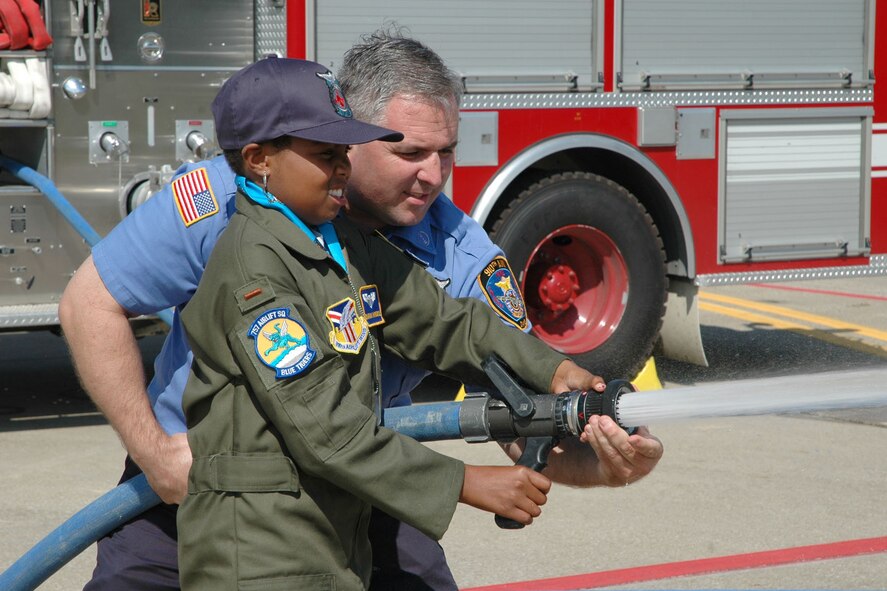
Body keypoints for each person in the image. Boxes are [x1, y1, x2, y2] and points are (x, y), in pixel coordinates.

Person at [59, 29, 663, 591]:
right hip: (218, 485)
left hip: (369, 477)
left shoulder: (442, 254)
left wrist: (598, 438)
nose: (433, 177)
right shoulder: (234, 213)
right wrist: (156, 454)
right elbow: (91, 302)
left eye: (445, 153)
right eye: (410, 152)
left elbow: (467, 344)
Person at [175, 55, 609, 591]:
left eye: (345, 152)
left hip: (326, 536)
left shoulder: (338, 241)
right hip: (260, 554)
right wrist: (466, 483)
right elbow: (328, 430)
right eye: (324, 153)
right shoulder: (254, 270)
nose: (342, 167)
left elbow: (443, 320)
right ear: (260, 159)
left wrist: (552, 370)